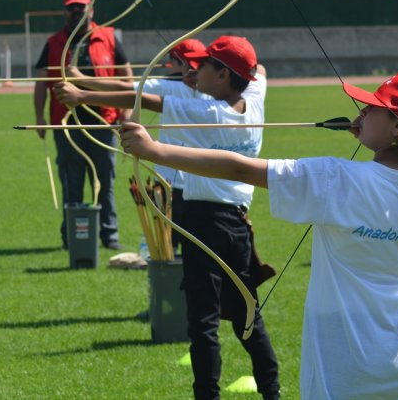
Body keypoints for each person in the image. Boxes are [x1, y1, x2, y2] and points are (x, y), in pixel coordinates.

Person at [119, 72, 398, 399]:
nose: (363, 110)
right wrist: (381, 131)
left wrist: (154, 150)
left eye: (374, 107)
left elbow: (237, 167)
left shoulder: (337, 179)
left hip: (341, 368)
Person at [57, 36, 280, 400]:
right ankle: (272, 391)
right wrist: (205, 77)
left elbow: (144, 99)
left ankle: (206, 395)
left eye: (205, 66)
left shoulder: (207, 114)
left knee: (203, 321)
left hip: (202, 223)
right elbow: (259, 72)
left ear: (224, 75)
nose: (194, 71)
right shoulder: (253, 101)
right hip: (237, 225)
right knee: (246, 314)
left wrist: (83, 97)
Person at [66, 38, 211, 254]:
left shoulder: (174, 87)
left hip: (175, 181)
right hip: (192, 180)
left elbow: (125, 89)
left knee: (173, 246)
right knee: (182, 246)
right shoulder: (215, 91)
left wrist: (81, 82)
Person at [33, 0, 133, 250]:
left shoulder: (108, 37)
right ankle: (73, 237)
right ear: (66, 11)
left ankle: (109, 235)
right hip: (66, 123)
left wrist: (127, 114)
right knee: (71, 181)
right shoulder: (54, 42)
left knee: (105, 181)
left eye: (81, 6)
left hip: (103, 121)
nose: (77, 11)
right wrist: (39, 118)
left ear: (91, 9)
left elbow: (127, 79)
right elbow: (41, 83)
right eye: (72, 7)